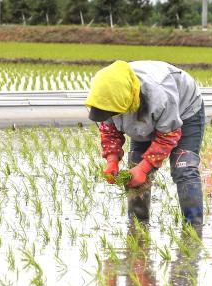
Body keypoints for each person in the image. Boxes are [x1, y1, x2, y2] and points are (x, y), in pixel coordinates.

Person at [85, 60, 204, 230]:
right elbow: (109, 131)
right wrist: (112, 161)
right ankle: (138, 229)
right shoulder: (105, 98)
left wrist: (144, 168)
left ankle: (193, 230)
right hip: (139, 111)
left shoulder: (160, 95)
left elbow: (168, 136)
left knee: (184, 167)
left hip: (184, 110)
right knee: (135, 170)